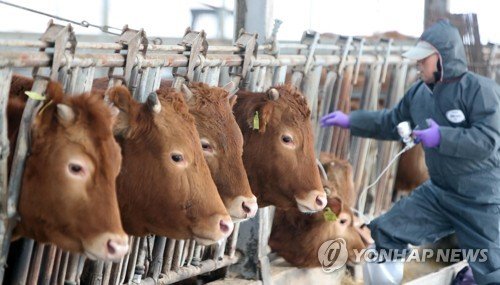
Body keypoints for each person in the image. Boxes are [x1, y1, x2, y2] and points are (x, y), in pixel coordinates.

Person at [321, 19, 500, 285]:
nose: (417, 66)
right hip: (439, 194)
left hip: (481, 199)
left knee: (491, 271)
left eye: (422, 60)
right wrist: (351, 121)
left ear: (441, 59)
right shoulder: (419, 94)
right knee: (385, 233)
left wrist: (442, 136)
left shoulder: (480, 91)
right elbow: (391, 121)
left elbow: (489, 139)